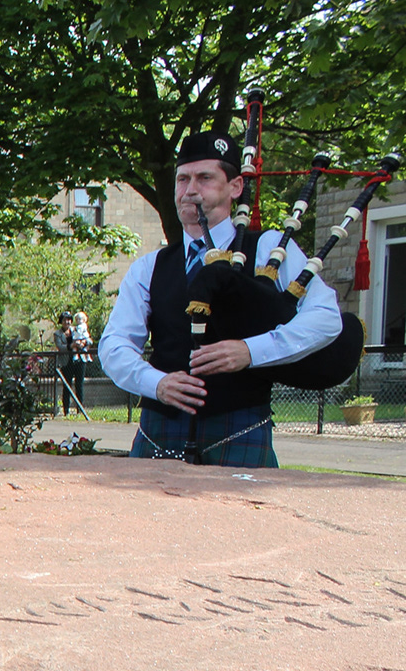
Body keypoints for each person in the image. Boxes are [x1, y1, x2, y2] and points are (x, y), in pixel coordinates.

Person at [101, 135, 339, 467]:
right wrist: (156, 383)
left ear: (235, 186)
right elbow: (114, 344)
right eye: (182, 179)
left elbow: (325, 317)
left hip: (240, 430)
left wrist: (250, 351)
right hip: (160, 431)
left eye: (205, 178)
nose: (190, 190)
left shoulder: (270, 248)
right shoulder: (149, 266)